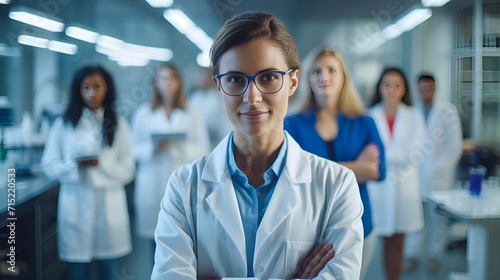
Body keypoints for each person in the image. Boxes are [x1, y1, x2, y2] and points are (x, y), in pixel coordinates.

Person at [151, 12, 364, 280]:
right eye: (236, 79)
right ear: (218, 85)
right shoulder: (183, 187)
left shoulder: (337, 185)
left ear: (293, 82)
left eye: (268, 78)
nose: (252, 97)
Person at [284, 48, 386, 280]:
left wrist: (317, 172)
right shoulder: (292, 124)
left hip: (360, 225)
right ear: (307, 79)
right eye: (316, 71)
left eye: (332, 70)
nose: (324, 77)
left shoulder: (364, 123)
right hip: (308, 232)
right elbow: (292, 176)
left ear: (344, 78)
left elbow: (379, 170)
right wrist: (357, 168)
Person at [41, 65, 135, 280]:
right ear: (78, 90)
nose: (92, 93)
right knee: (78, 273)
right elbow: (49, 164)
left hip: (108, 208)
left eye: (97, 86)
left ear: (107, 89)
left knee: (108, 271)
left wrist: (100, 165)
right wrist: (74, 166)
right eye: (86, 87)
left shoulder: (119, 125)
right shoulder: (64, 124)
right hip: (76, 205)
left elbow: (129, 170)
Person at [131, 63, 210, 263]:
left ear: (179, 82)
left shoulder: (192, 111)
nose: (167, 83)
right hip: (152, 182)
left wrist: (176, 146)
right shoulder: (143, 113)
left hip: (181, 182)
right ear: (156, 83)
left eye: (171, 78)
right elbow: (133, 150)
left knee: (182, 243)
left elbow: (203, 149)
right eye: (163, 78)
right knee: (155, 244)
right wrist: (153, 149)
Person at [367, 67, 426, 280]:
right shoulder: (369, 116)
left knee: (399, 238)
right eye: (387, 84)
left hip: (404, 188)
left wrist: (383, 155)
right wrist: (389, 155)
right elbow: (369, 153)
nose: (392, 89)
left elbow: (415, 153)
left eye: (397, 85)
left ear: (404, 90)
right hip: (379, 188)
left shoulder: (414, 116)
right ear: (380, 88)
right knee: (382, 237)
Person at [404, 73, 463, 272]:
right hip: (416, 176)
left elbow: (455, 145)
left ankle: (434, 256)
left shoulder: (447, 111)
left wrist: (440, 167)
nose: (425, 91)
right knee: (416, 219)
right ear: (417, 89)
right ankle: (412, 256)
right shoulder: (411, 111)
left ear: (435, 88)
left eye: (429, 87)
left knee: (438, 220)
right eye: (422, 88)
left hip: (439, 177)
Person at [188, 67, 233, 149]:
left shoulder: (218, 99)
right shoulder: (194, 97)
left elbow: (224, 128)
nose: (200, 79)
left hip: (214, 144)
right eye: (200, 76)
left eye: (204, 76)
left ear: (212, 79)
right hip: (196, 143)